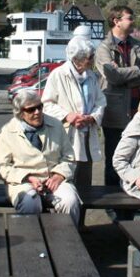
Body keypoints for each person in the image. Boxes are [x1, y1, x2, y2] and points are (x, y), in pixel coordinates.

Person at [0, 89, 81, 225]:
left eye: (39, 107)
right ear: (20, 113)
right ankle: (32, 243)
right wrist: (27, 177)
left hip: (54, 180)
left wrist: (59, 175)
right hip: (23, 183)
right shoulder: (7, 131)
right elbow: (2, 167)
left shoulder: (56, 125)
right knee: (30, 202)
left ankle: (66, 241)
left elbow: (69, 157)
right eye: (31, 110)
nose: (37, 112)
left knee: (70, 201)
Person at [95, 5, 140, 186]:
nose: (133, 21)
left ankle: (132, 196)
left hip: (139, 111)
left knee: (138, 158)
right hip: (115, 113)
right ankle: (112, 201)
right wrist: (137, 71)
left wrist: (124, 75)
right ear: (116, 21)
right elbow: (112, 76)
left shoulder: (137, 45)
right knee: (114, 158)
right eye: (129, 18)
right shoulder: (103, 48)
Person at [42, 36, 106, 188]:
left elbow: (100, 101)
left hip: (87, 135)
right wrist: (68, 116)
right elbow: (47, 104)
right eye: (90, 57)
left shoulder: (91, 76)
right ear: (78, 58)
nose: (92, 60)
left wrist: (92, 117)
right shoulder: (58, 75)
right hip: (65, 137)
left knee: (85, 183)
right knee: (66, 181)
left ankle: (82, 211)